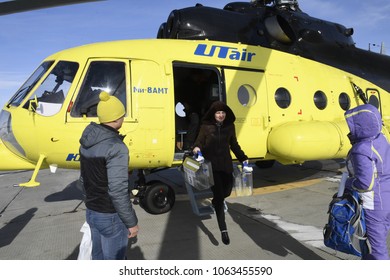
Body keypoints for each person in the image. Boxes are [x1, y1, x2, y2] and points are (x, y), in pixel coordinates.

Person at [79, 91, 139, 260]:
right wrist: (131, 223)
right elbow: (118, 190)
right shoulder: (116, 147)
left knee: (98, 259)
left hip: (91, 212)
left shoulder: (86, 142)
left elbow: (84, 179)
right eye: (122, 115)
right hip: (110, 215)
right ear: (117, 118)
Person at [192, 101, 249, 245]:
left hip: (226, 165)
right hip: (212, 167)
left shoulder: (230, 127)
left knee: (227, 192)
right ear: (213, 114)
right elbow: (198, 143)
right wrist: (197, 151)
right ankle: (223, 230)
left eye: (223, 113)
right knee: (219, 196)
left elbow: (234, 145)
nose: (221, 115)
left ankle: (216, 201)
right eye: (218, 113)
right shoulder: (206, 127)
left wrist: (243, 159)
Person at [344, 103, 390, 260]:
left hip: (375, 203)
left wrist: (349, 184)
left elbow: (365, 183)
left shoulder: (362, 149)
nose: (350, 130)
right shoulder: (380, 138)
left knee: (378, 250)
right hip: (387, 197)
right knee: (380, 240)